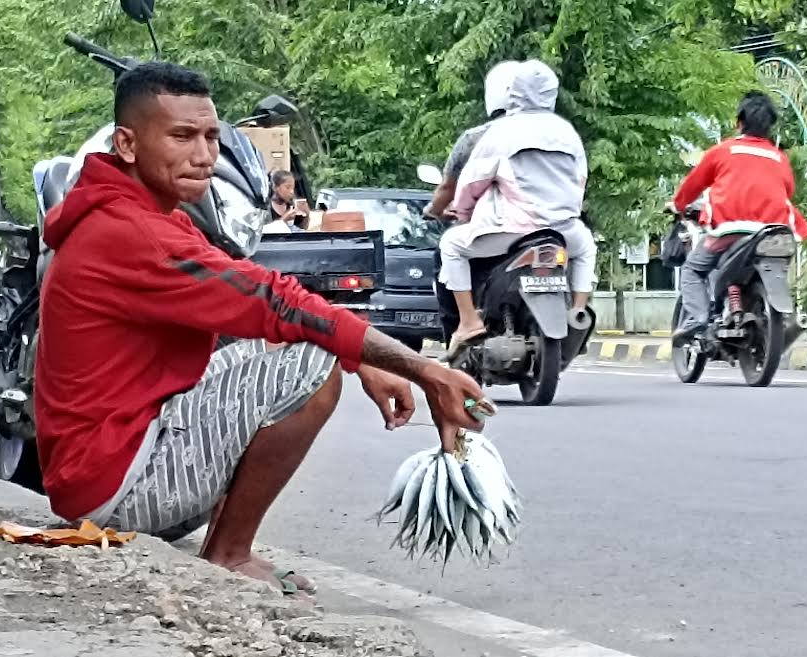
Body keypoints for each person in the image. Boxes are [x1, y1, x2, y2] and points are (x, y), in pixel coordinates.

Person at [35, 61, 487, 597]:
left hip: (108, 473)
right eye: (181, 137)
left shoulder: (149, 217)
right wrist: (426, 370)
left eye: (211, 137)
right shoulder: (130, 231)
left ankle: (226, 548)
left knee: (300, 340)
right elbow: (275, 302)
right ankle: (229, 555)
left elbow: (249, 302)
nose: (203, 156)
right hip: (116, 491)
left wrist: (361, 359)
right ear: (127, 144)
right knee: (308, 361)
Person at [438, 59, 598, 356]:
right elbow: (580, 180)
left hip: (512, 231)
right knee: (586, 247)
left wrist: (463, 214)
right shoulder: (567, 132)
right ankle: (577, 311)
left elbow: (472, 182)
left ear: (514, 92)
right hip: (562, 230)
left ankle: (469, 322)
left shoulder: (501, 131)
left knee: (451, 246)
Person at [668, 91, 807, 344]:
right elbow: (789, 190)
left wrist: (678, 204)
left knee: (692, 269)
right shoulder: (779, 158)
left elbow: (693, 186)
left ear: (739, 122)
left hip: (730, 230)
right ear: (769, 127)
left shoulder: (723, 151)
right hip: (773, 233)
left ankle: (698, 319)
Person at [425, 60, 520, 345]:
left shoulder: (476, 138)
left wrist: (433, 210)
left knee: (446, 251)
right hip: (548, 225)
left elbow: (448, 188)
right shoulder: (553, 136)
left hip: (494, 228)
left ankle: (463, 326)